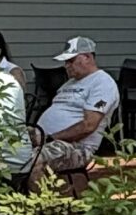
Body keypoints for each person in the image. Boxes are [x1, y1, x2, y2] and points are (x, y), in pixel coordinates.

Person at [28, 37, 118, 173]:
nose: (66, 66)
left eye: (71, 61)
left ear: (87, 57)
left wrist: (50, 138)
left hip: (75, 147)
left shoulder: (103, 83)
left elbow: (88, 126)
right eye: (66, 62)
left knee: (30, 160)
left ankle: (37, 194)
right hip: (44, 138)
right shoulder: (69, 83)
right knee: (2, 149)